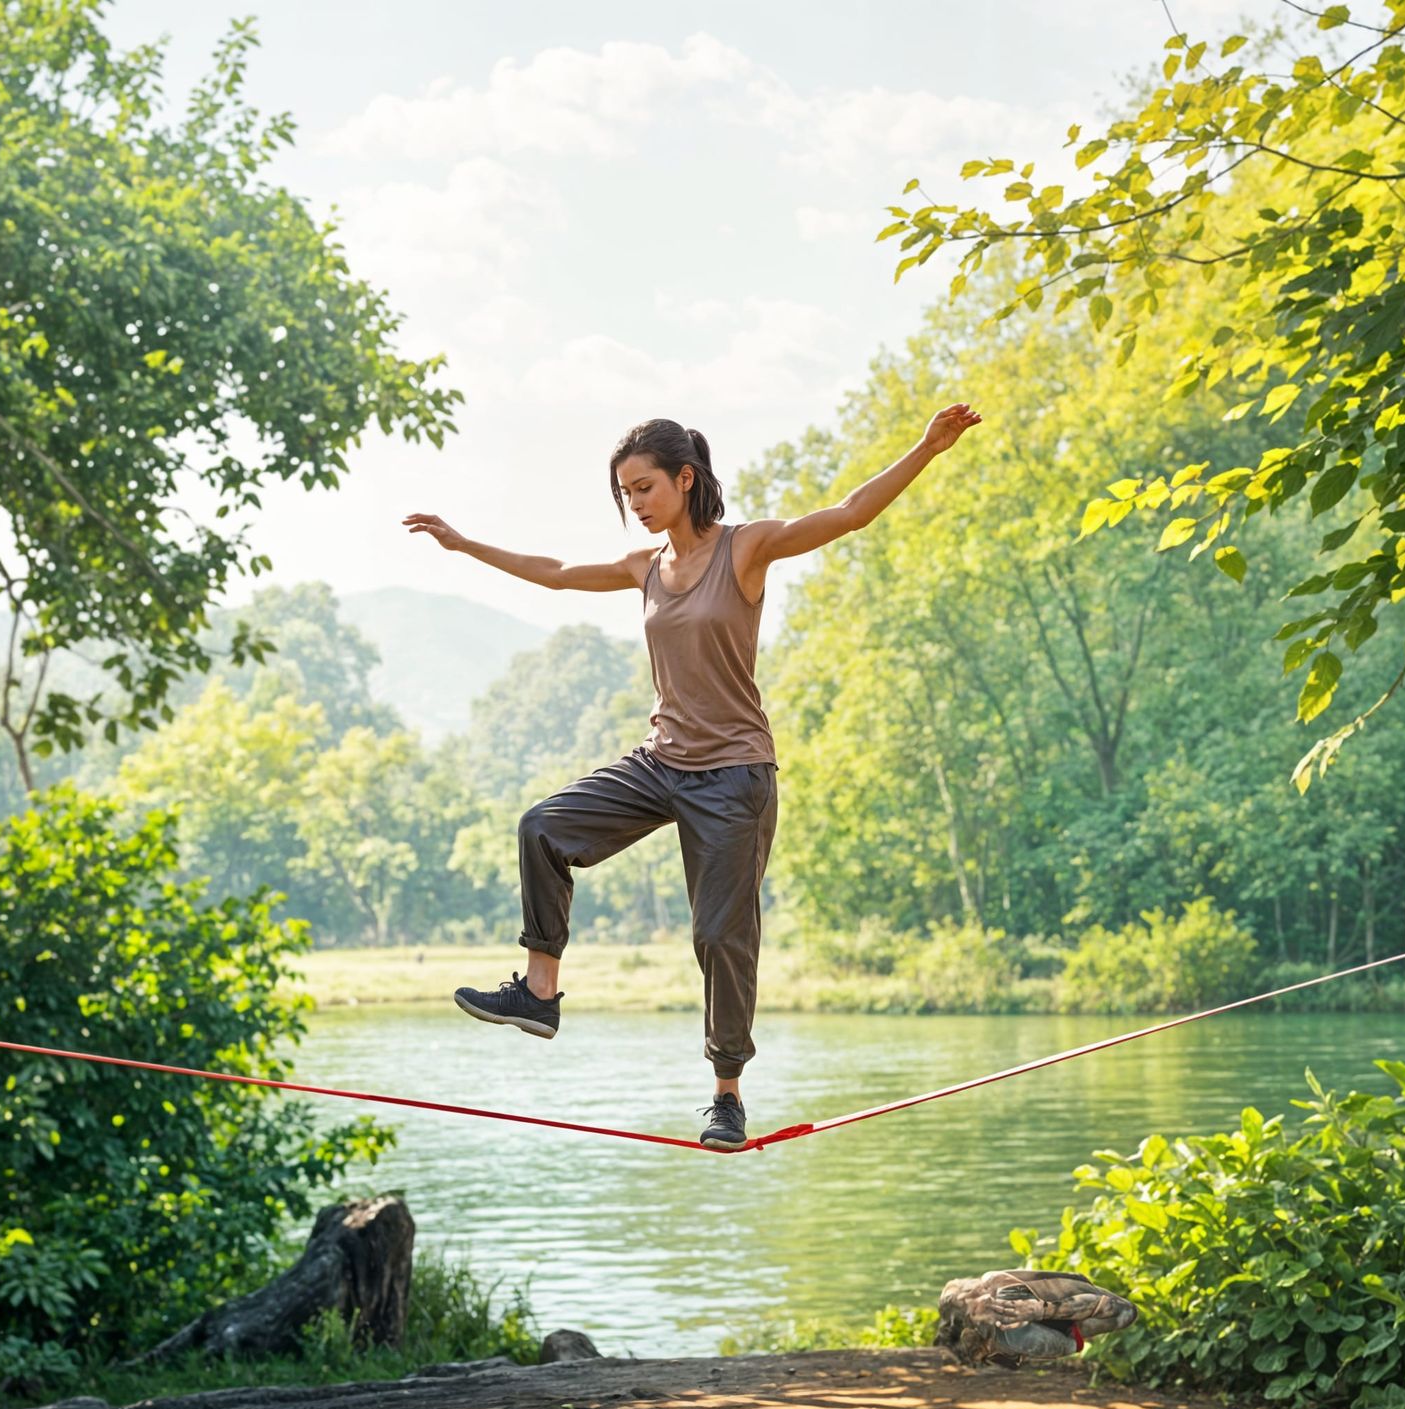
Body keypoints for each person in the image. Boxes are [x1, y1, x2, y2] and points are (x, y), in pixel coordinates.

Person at [402, 404, 981, 1151]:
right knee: (543, 828)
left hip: (735, 775)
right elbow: (555, 575)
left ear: (685, 479)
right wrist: (463, 544)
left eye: (644, 488)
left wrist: (927, 448)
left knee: (719, 936)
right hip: (660, 763)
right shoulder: (643, 568)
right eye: (626, 494)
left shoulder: (746, 548)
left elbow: (849, 513)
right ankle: (539, 991)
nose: (636, 504)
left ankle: (726, 1097)